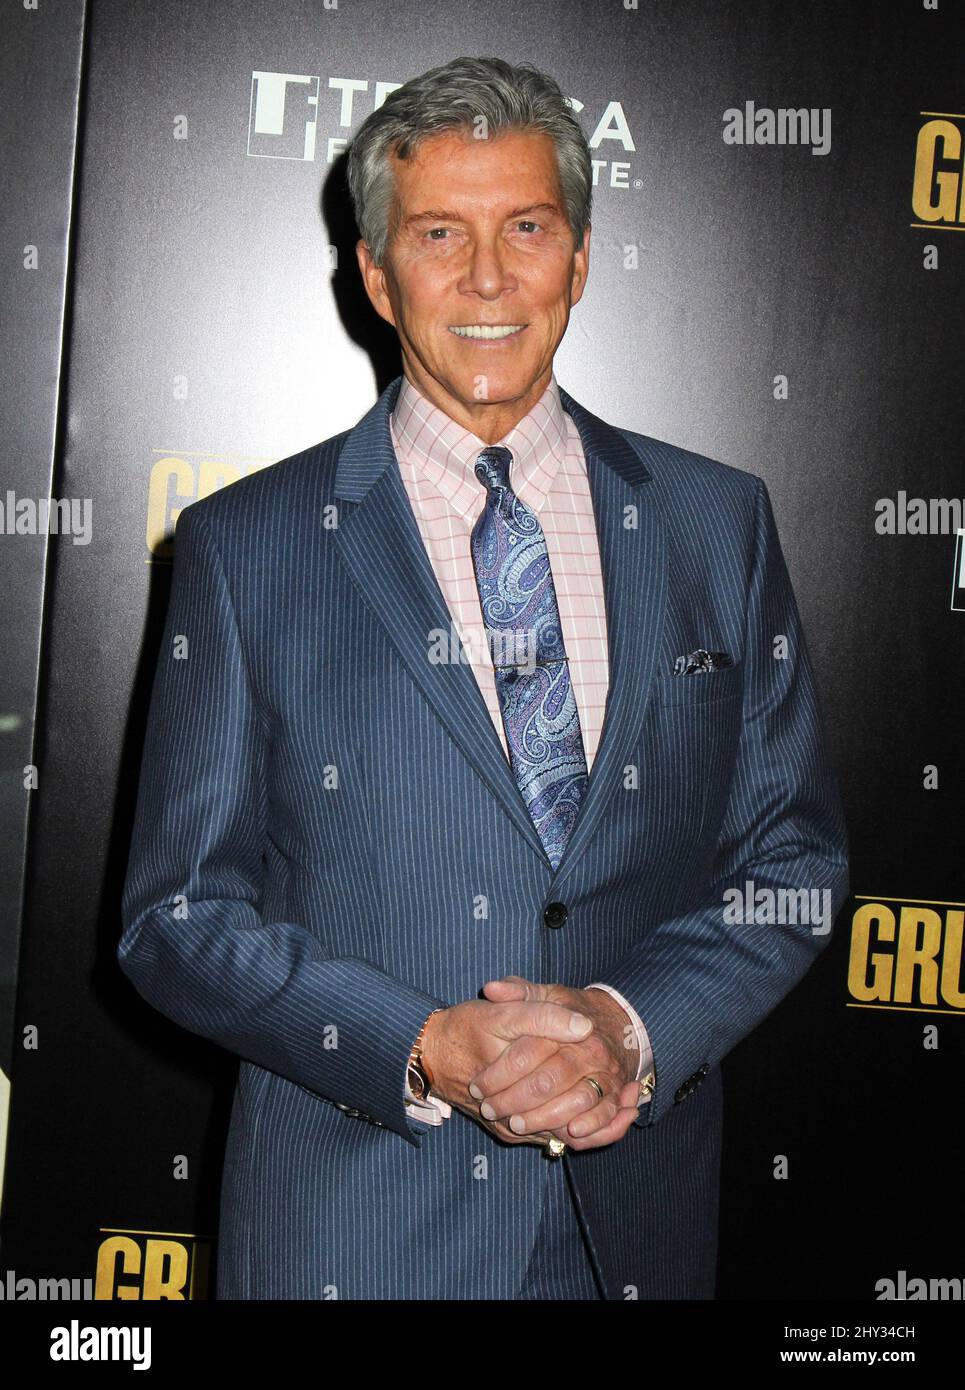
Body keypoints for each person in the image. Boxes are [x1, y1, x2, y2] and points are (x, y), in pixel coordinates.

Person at [119, 54, 849, 1300]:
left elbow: (791, 862)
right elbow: (174, 923)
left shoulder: (712, 523)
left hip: (634, 1229)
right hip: (349, 1241)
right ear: (374, 276)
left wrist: (628, 1026)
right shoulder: (248, 548)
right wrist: (424, 1044)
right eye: (437, 234)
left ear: (577, 256)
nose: (487, 279)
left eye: (526, 228)